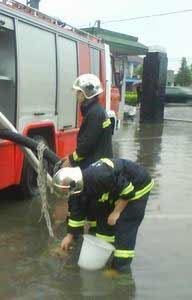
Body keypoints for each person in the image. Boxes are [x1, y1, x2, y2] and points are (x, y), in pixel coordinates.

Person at [53, 158, 154, 271]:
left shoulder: (99, 176)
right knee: (103, 225)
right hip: (116, 191)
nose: (67, 194)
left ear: (72, 183)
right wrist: (69, 236)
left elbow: (128, 192)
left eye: (66, 191)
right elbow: (77, 211)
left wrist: (116, 212)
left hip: (137, 186)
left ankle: (120, 272)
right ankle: (106, 257)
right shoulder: (78, 186)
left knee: (124, 228)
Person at [61, 74, 113, 237]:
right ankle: (92, 229)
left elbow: (87, 145)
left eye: (78, 93)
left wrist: (71, 160)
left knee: (80, 197)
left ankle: (76, 234)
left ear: (87, 93)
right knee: (94, 201)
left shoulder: (94, 114)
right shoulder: (97, 111)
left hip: (94, 166)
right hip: (99, 164)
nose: (77, 96)